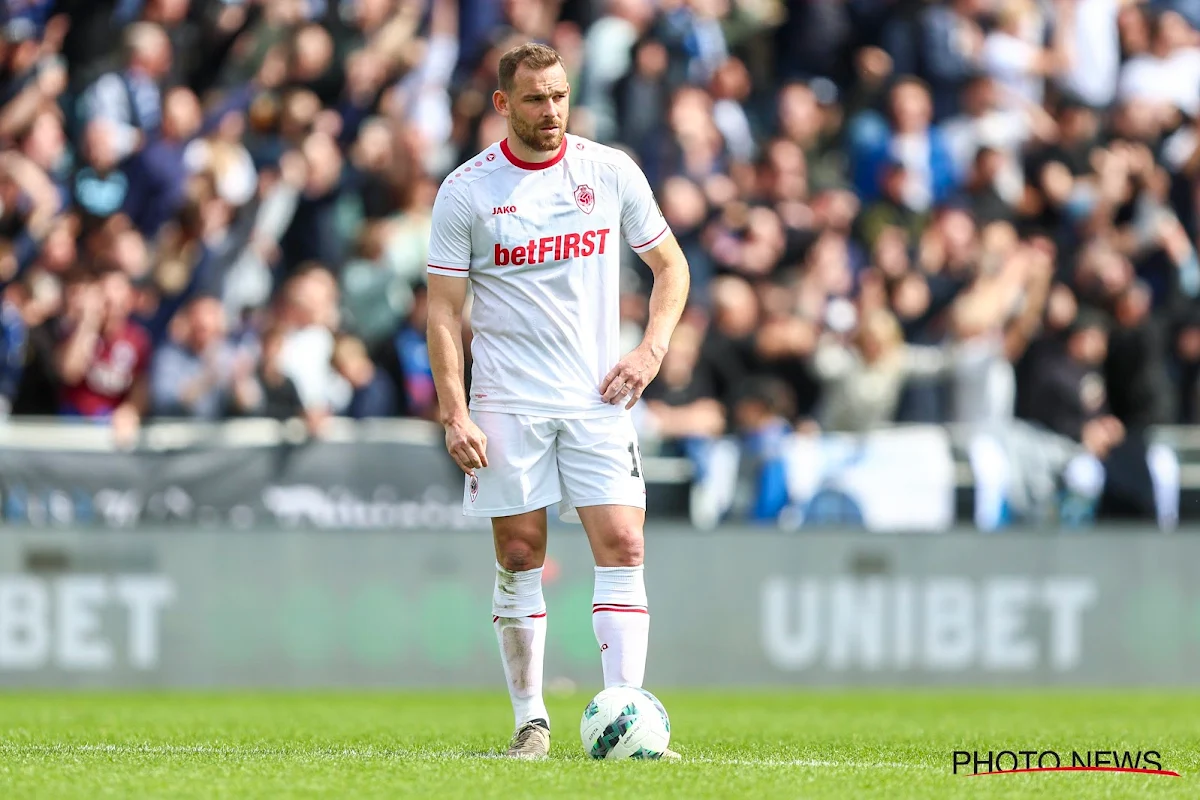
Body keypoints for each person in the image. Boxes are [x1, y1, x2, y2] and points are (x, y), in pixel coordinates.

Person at [425, 43, 690, 761]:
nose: (552, 111)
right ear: (504, 104)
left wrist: (650, 351)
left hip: (599, 397)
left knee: (626, 544)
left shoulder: (607, 171)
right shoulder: (467, 191)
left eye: (561, 96)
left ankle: (628, 716)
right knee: (519, 553)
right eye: (536, 99)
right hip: (508, 400)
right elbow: (443, 313)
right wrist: (455, 411)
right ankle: (531, 722)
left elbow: (671, 267)